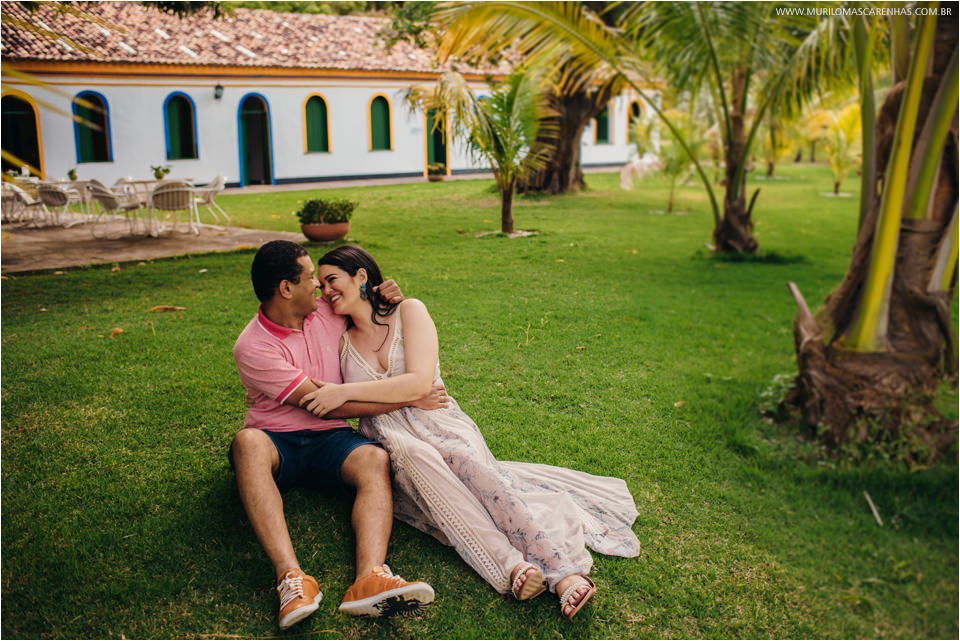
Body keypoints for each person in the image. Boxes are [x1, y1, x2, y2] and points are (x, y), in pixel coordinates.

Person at [300, 245, 641, 620]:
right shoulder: (340, 341)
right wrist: (383, 396)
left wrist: (346, 390)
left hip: (441, 423)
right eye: (321, 285)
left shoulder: (409, 311)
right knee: (420, 461)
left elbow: (418, 382)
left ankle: (563, 574)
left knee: (477, 475)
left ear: (361, 277)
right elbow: (343, 405)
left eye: (332, 280)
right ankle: (512, 567)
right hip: (392, 438)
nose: (326, 291)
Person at [231, 240, 446, 629]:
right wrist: (411, 398)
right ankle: (291, 578)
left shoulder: (327, 313)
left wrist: (384, 292)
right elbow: (325, 402)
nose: (318, 286)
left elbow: (362, 300)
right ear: (286, 288)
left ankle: (369, 577)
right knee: (247, 444)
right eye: (310, 277)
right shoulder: (252, 346)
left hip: (331, 439)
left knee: (373, 458)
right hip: (276, 439)